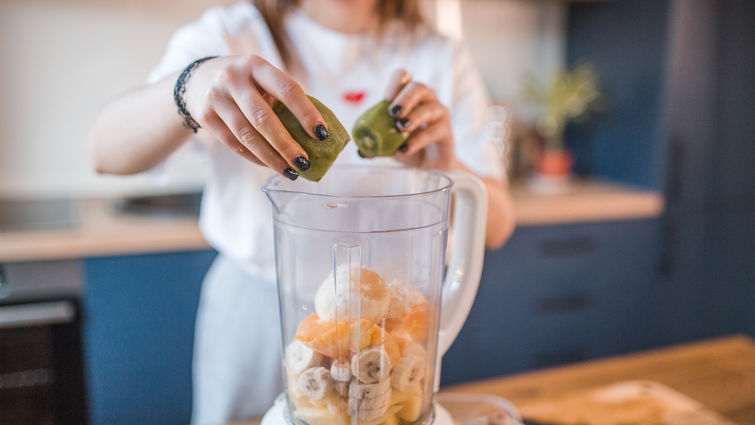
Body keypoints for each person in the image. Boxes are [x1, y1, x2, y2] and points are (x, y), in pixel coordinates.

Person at [88, 0, 515, 422]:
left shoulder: (439, 53)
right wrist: (191, 85)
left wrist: (444, 168)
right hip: (258, 314)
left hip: (394, 327)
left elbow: (496, 225)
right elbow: (104, 151)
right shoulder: (232, 33)